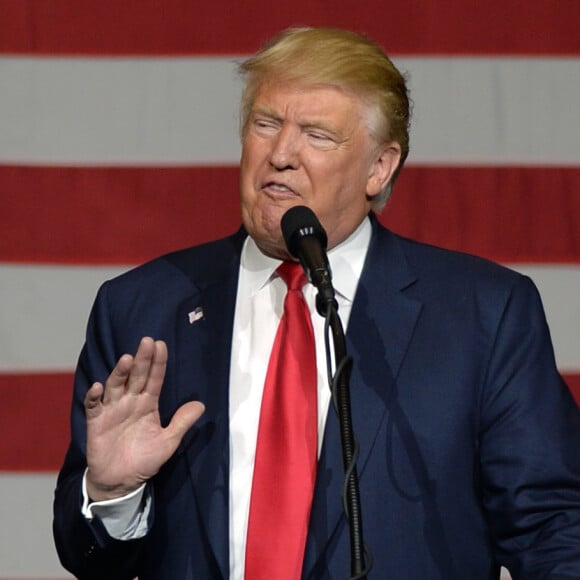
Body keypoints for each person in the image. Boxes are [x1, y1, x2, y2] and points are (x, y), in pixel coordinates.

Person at [53, 27, 580, 579]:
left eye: (317, 135)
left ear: (380, 167)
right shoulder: (141, 307)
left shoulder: (482, 315)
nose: (281, 153)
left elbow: (553, 532)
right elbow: (85, 554)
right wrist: (111, 493)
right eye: (266, 124)